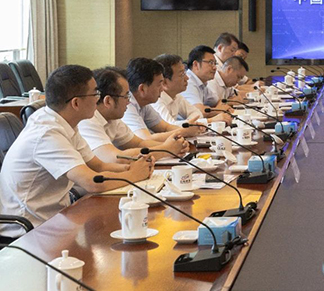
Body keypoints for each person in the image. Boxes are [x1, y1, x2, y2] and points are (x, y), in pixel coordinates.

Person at [0, 65, 154, 238]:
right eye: (95, 94)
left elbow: (98, 166)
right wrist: (133, 175)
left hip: (55, 219)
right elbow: (92, 183)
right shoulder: (46, 133)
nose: (98, 99)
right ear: (76, 103)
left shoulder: (65, 122)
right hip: (27, 231)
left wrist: (132, 168)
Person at [78, 67, 190, 163]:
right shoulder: (87, 121)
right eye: (126, 96)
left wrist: (172, 146)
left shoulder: (113, 119)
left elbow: (139, 143)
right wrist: (166, 150)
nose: (129, 101)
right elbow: (115, 158)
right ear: (108, 101)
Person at [122, 57, 201, 141]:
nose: (162, 89)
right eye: (159, 85)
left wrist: (188, 129)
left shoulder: (144, 104)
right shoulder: (127, 105)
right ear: (142, 89)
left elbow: (166, 127)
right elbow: (146, 139)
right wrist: (184, 132)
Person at [152, 54, 231, 126]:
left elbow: (197, 114)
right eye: (182, 74)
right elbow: (169, 126)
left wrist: (192, 123)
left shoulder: (176, 96)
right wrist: (209, 121)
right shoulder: (156, 101)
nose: (187, 78)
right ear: (164, 82)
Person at [180, 45, 232, 111]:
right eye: (210, 62)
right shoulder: (188, 82)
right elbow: (199, 111)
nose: (215, 67)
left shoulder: (202, 83)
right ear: (196, 65)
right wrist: (219, 109)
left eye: (215, 63)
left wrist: (218, 108)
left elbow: (219, 101)